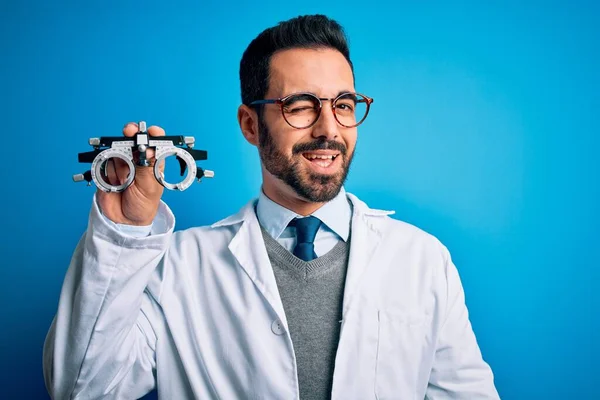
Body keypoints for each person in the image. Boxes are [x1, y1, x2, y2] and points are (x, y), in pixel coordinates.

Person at [43, 14, 500, 400]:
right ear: (250, 124)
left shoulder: (422, 260)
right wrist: (121, 236)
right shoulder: (177, 269)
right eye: (300, 105)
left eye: (343, 104)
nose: (329, 129)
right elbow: (82, 387)